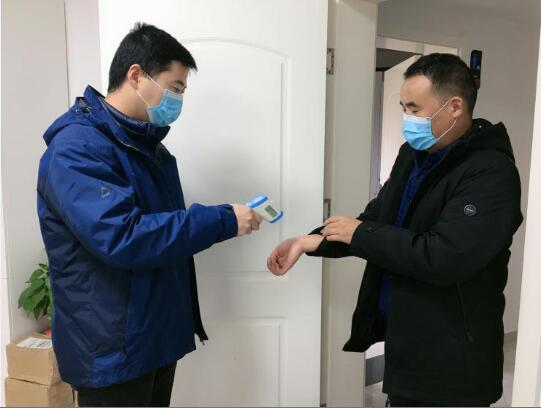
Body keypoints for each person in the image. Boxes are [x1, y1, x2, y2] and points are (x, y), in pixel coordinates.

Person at [268, 53, 523, 407]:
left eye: (415, 109)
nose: (407, 120)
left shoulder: (491, 173)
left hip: (454, 361)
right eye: (403, 108)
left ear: (454, 107)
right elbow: (378, 218)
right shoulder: (412, 155)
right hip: (407, 342)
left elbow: (443, 256)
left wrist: (360, 233)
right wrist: (311, 241)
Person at [37, 23, 262, 407]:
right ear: (136, 75)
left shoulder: (152, 150)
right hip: (111, 349)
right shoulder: (76, 148)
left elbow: (162, 241)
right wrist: (222, 219)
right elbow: (123, 237)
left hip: (152, 337)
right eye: (175, 87)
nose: (178, 100)